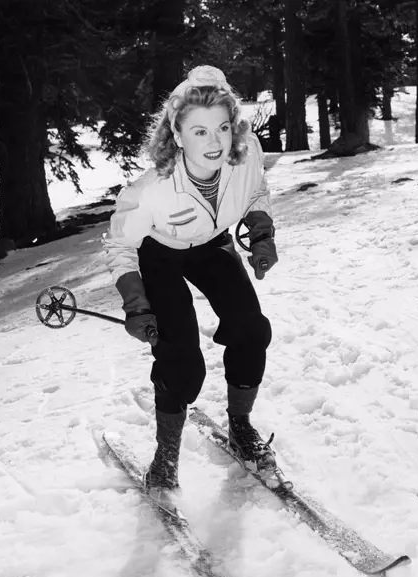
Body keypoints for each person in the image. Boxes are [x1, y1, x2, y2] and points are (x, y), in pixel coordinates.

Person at [103, 65, 278, 505]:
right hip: (160, 253)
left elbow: (257, 190)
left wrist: (261, 231)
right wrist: (135, 302)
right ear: (177, 135)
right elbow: (120, 246)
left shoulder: (246, 154)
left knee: (251, 330)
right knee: (182, 362)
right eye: (199, 131)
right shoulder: (151, 190)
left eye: (222, 127)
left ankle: (241, 426)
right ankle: (164, 457)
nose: (215, 141)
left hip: (212, 244)